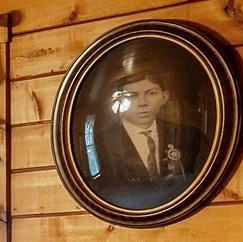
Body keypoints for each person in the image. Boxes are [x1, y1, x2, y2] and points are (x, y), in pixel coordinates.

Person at [83, 44, 204, 210]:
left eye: (151, 93)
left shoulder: (190, 135)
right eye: (132, 96)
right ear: (120, 100)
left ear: (164, 96)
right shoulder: (103, 143)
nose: (142, 103)